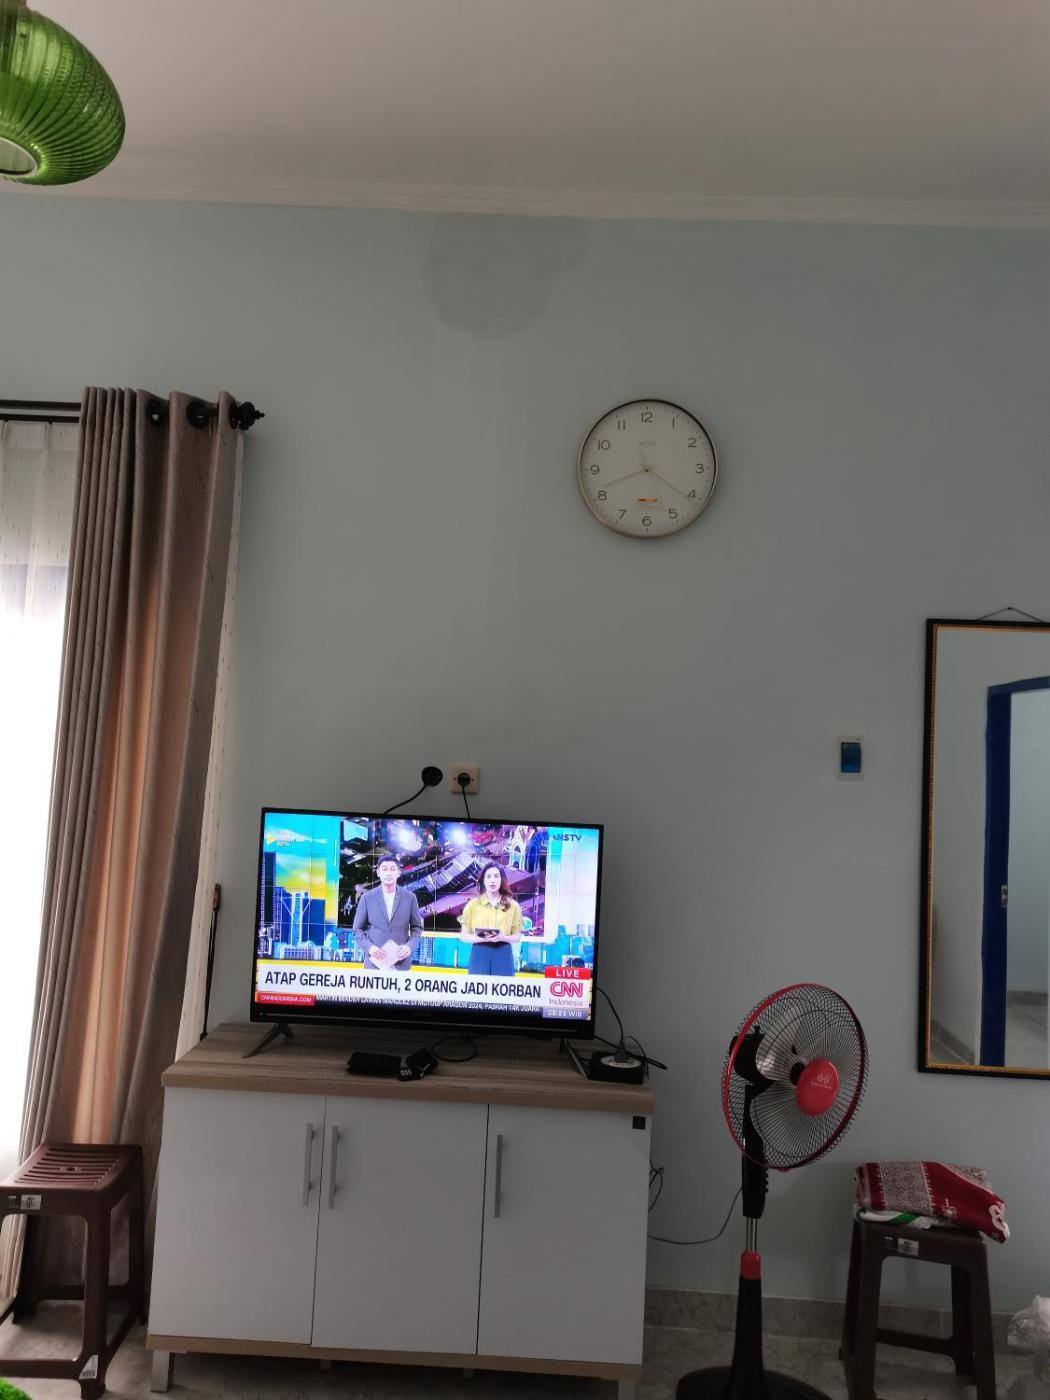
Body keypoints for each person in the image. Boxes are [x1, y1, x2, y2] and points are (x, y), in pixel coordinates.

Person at [352, 853, 422, 971]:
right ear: (378, 873)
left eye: (392, 869)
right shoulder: (367, 898)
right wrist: (370, 948)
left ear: (398, 872)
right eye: (384, 869)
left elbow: (417, 928)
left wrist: (409, 946)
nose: (388, 873)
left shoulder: (410, 898)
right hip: (374, 965)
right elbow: (357, 930)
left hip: (401, 964)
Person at [458, 862, 523, 976]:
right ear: (483, 880)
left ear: (502, 880)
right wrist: (482, 938)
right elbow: (464, 937)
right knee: (478, 987)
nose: (492, 880)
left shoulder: (513, 906)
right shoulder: (472, 905)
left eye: (496, 876)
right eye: (488, 877)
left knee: (502, 987)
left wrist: (503, 937)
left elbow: (517, 937)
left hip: (503, 953)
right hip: (479, 953)